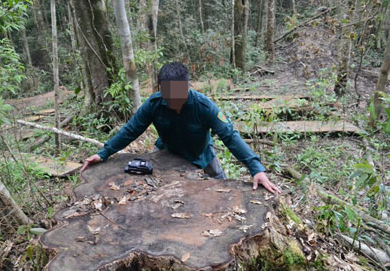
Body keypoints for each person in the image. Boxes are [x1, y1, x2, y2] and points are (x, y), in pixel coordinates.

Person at [81, 62, 281, 194]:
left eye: (179, 96)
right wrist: (104, 153)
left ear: (188, 87)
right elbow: (131, 130)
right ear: (161, 90)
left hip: (202, 154)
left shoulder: (205, 107)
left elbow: (230, 136)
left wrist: (256, 169)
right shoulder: (153, 105)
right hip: (166, 155)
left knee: (221, 187)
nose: (174, 102)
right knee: (161, 193)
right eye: (169, 97)